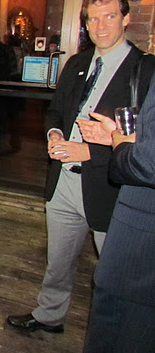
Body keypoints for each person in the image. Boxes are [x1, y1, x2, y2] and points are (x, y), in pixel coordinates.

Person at [6, 0, 155, 334]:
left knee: (116, 274)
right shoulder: (76, 63)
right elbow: (55, 112)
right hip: (63, 182)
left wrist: (89, 152)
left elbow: (147, 142)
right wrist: (54, 135)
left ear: (126, 19)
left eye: (110, 17)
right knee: (57, 262)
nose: (100, 26)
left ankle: (116, 335)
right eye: (93, 19)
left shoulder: (145, 70)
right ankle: (49, 315)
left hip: (110, 187)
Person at [78, 74, 155, 352]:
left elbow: (146, 163)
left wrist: (120, 144)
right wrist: (120, 137)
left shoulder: (140, 66)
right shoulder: (77, 65)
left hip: (141, 249)